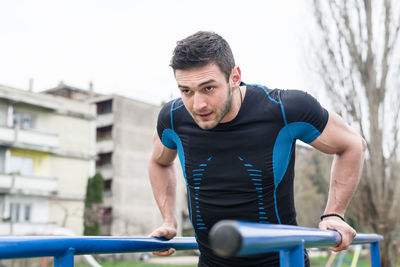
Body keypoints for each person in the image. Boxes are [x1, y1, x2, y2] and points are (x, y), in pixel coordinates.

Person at [148, 31, 366, 267]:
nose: (198, 104)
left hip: (283, 262)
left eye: (208, 88)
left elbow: (352, 144)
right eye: (186, 91)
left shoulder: (283, 109)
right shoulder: (173, 118)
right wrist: (169, 220)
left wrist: (334, 213)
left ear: (235, 76)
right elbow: (159, 161)